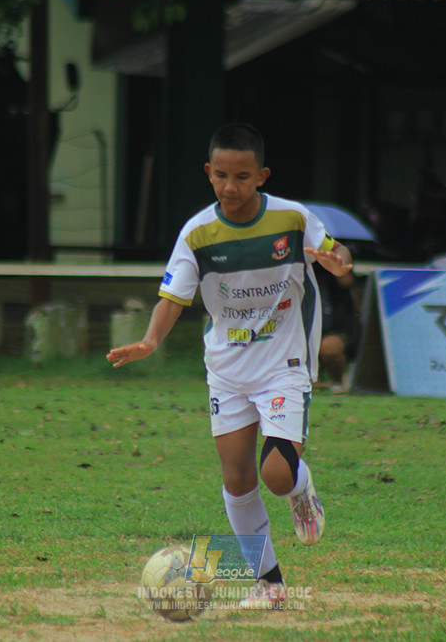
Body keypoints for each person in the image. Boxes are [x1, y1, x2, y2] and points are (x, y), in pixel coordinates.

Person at [107, 122, 354, 609]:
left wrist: (338, 262)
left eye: (242, 176)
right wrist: (151, 340)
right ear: (208, 172)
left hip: (284, 362)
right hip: (226, 368)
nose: (230, 187)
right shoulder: (197, 234)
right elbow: (174, 296)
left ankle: (302, 490)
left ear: (261, 175)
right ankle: (270, 585)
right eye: (220, 175)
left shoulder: (293, 219)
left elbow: (336, 251)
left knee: (277, 475)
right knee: (238, 479)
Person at [315, 262, 359, 394]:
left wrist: (327, 259)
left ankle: (337, 383)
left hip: (334, 326)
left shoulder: (331, 256)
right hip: (298, 327)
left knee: (329, 349)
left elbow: (347, 281)